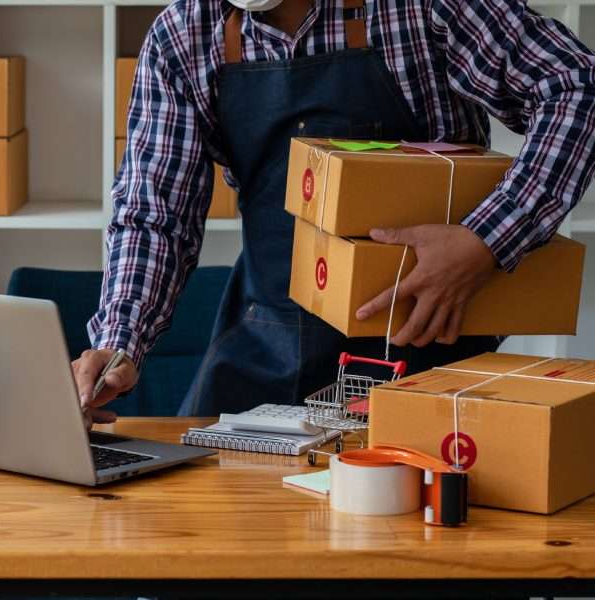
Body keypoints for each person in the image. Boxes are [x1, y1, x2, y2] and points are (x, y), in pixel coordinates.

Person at [73, 0, 595, 423]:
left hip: (430, 345)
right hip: (265, 348)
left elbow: (576, 87)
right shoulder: (185, 34)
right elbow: (153, 212)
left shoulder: (420, 8)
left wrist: (487, 241)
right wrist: (120, 341)